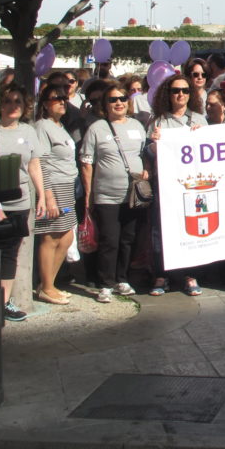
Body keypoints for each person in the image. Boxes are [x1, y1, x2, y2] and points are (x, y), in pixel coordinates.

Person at [79, 81, 149, 303]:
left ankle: (122, 278)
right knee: (110, 239)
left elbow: (145, 154)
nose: (118, 103)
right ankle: (105, 283)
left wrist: (147, 170)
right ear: (105, 104)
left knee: (128, 238)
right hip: (106, 195)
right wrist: (89, 194)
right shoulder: (97, 128)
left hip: (133, 194)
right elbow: (86, 163)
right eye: (113, 99)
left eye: (122, 99)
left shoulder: (138, 126)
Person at [147, 73, 208, 297]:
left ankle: (190, 275)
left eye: (184, 90)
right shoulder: (158, 121)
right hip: (165, 186)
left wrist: (203, 137)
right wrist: (154, 144)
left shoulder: (200, 120)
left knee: (191, 230)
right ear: (168, 94)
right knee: (160, 231)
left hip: (192, 187)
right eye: (175, 90)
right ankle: (161, 275)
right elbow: (148, 152)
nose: (180, 94)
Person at [0, 83, 47, 322]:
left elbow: (34, 165)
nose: (13, 106)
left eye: (17, 101)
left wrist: (42, 195)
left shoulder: (28, 131)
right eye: (8, 101)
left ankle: (3, 302)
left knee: (11, 253)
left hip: (20, 202)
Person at [33, 84, 80, 306]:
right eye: (56, 99)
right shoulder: (42, 126)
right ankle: (47, 286)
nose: (62, 102)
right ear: (44, 104)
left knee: (67, 235)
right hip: (54, 186)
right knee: (51, 235)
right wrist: (48, 195)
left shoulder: (59, 125)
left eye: (64, 98)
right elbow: (40, 162)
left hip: (68, 184)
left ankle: (48, 284)